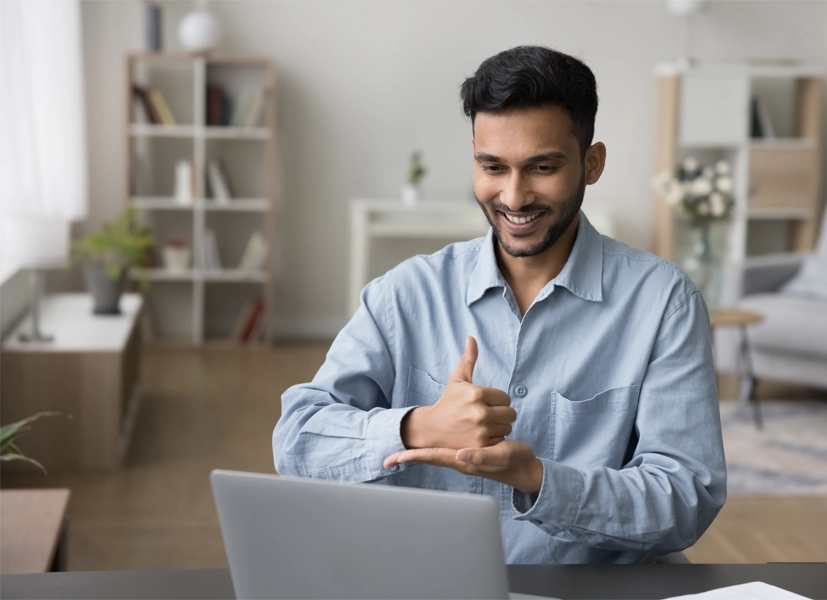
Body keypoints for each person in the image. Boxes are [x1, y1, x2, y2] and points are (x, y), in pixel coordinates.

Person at [273, 45, 726, 564]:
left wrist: (539, 481)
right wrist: (419, 426)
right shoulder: (405, 293)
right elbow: (297, 439)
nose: (513, 196)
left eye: (542, 167)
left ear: (592, 163)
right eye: (493, 166)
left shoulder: (665, 303)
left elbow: (687, 495)